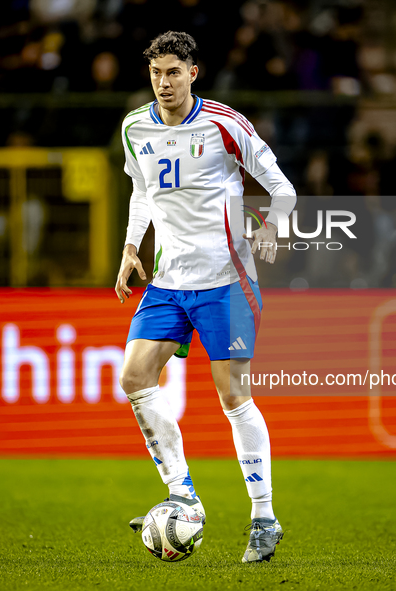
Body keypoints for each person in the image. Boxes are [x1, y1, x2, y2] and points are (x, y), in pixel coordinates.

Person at [115, 31, 296, 563]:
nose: (164, 83)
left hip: (226, 278)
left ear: (193, 72)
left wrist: (268, 228)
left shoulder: (224, 125)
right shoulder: (134, 127)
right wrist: (130, 247)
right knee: (133, 378)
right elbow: (141, 191)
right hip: (168, 281)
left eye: (173, 72)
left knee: (232, 396)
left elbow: (281, 189)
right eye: (156, 73)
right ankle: (182, 495)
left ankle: (264, 516)